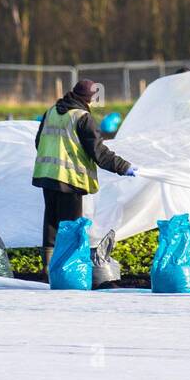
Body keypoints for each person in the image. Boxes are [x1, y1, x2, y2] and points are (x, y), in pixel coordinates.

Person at [32, 79, 136, 275]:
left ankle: (48, 268)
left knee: (51, 222)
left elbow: (39, 142)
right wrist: (125, 167)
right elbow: (99, 153)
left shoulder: (51, 112)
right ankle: (68, 270)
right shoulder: (82, 118)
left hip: (47, 176)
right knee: (71, 226)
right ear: (89, 99)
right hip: (70, 180)